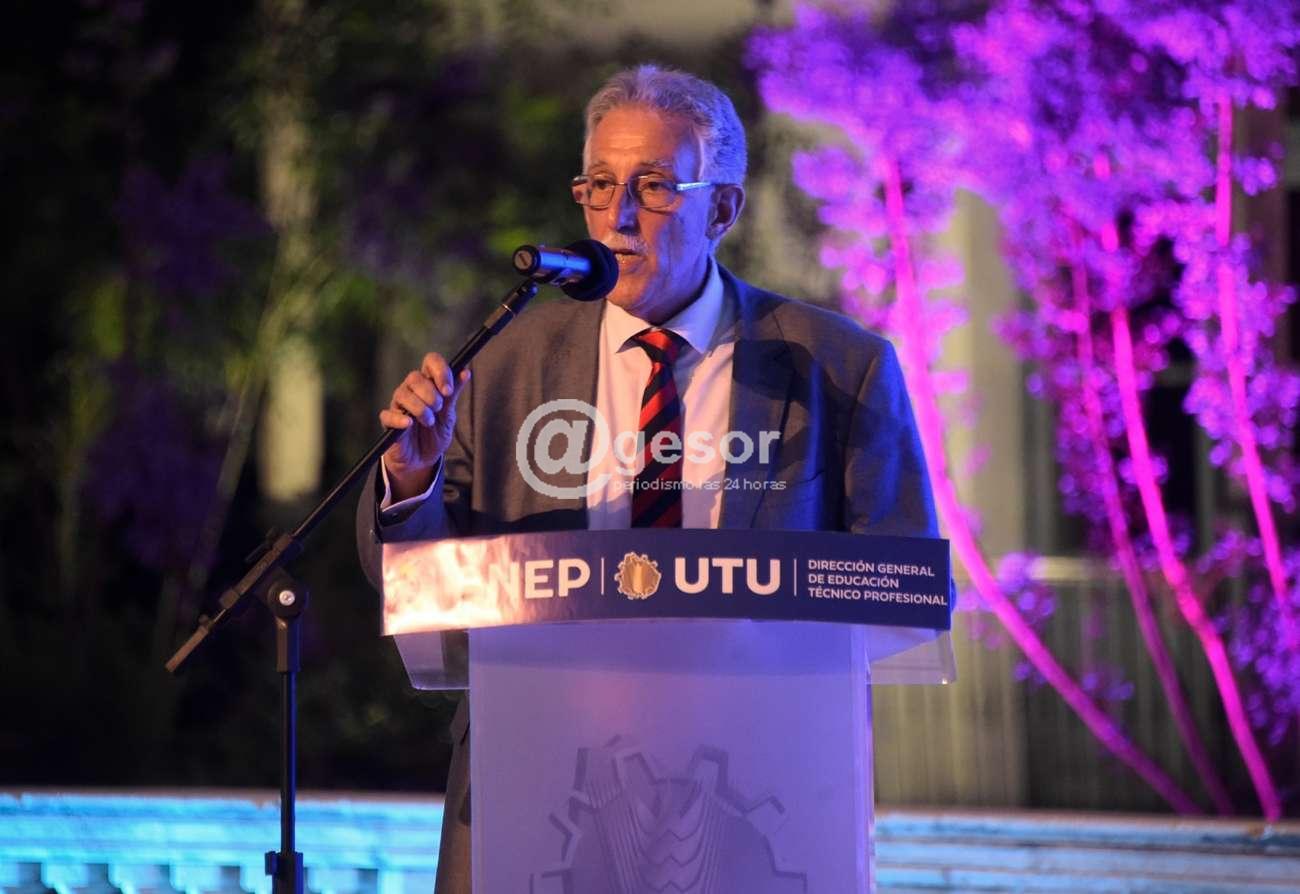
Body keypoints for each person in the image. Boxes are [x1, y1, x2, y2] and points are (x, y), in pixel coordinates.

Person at [356, 64, 937, 893]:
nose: (617, 216)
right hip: (535, 778)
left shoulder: (840, 367)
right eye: (598, 185)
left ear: (722, 209)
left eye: (654, 187)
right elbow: (408, 582)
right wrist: (409, 479)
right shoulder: (502, 360)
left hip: (754, 792)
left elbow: (903, 586)